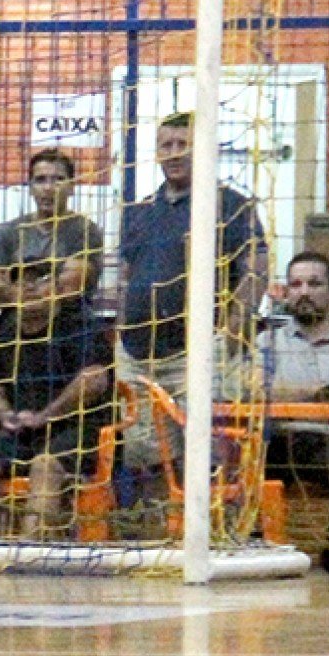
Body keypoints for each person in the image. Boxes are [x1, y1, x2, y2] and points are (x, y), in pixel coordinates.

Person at [116, 113, 267, 487]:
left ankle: (216, 541)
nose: (174, 153)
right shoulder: (139, 212)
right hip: (138, 357)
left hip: (198, 356)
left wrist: (227, 338)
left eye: (184, 144)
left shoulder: (233, 207)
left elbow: (256, 273)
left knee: (207, 458)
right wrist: (120, 333)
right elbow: (125, 277)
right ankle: (158, 541)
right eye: (166, 145)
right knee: (146, 461)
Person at [0, 263, 114, 540]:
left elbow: (94, 380)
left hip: (81, 432)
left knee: (45, 464)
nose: (28, 287)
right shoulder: (5, 333)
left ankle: (30, 550)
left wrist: (45, 416)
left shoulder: (81, 325)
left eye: (39, 279)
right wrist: (5, 416)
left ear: (58, 288)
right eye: (19, 281)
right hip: (26, 434)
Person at [257, 251, 329, 573]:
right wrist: (319, 393)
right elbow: (256, 391)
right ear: (286, 292)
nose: (303, 292)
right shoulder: (268, 341)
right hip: (285, 439)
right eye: (296, 284)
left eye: (314, 284)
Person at [0, 148, 101, 306]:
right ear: (30, 188)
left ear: (71, 187)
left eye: (58, 180)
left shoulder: (85, 230)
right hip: (16, 321)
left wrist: (17, 290)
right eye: (40, 180)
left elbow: (70, 289)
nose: (48, 188)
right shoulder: (11, 230)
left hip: (68, 323)